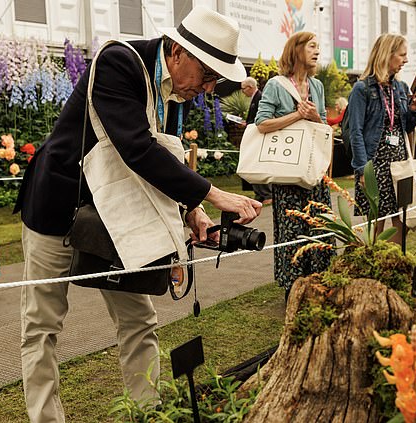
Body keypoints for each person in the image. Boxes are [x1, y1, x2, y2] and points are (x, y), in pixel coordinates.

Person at [13, 7, 261, 422]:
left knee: (140, 319)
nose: (206, 88)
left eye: (215, 81)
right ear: (179, 51)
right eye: (206, 75)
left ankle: (147, 415)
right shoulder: (118, 62)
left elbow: (159, 156)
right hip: (56, 210)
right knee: (42, 325)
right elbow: (136, 149)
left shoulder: (172, 90)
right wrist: (214, 194)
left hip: (116, 217)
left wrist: (192, 209)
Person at [254, 31, 333, 297]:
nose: (317, 51)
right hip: (287, 173)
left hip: (313, 170)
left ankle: (319, 284)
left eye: (318, 47)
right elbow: (261, 124)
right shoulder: (276, 85)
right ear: (296, 49)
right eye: (312, 46)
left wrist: (313, 117)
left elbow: (321, 127)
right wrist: (296, 115)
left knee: (319, 227)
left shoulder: (318, 86)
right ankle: (293, 290)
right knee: (292, 233)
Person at [348, 34, 416, 246]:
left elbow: (405, 126)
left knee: (402, 218)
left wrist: (414, 111)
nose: (406, 60)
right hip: (375, 165)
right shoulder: (362, 89)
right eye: (402, 55)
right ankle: (374, 267)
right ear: (386, 55)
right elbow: (356, 132)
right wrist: (363, 170)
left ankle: (397, 265)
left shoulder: (400, 87)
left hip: (400, 163)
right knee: (377, 222)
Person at [241, 76, 271, 204]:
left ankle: (267, 194)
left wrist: (249, 124)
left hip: (259, 137)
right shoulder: (256, 97)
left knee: (260, 166)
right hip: (254, 135)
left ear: (250, 87)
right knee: (253, 165)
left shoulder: (260, 98)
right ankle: (260, 193)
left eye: (243, 89)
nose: (242, 92)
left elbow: (262, 119)